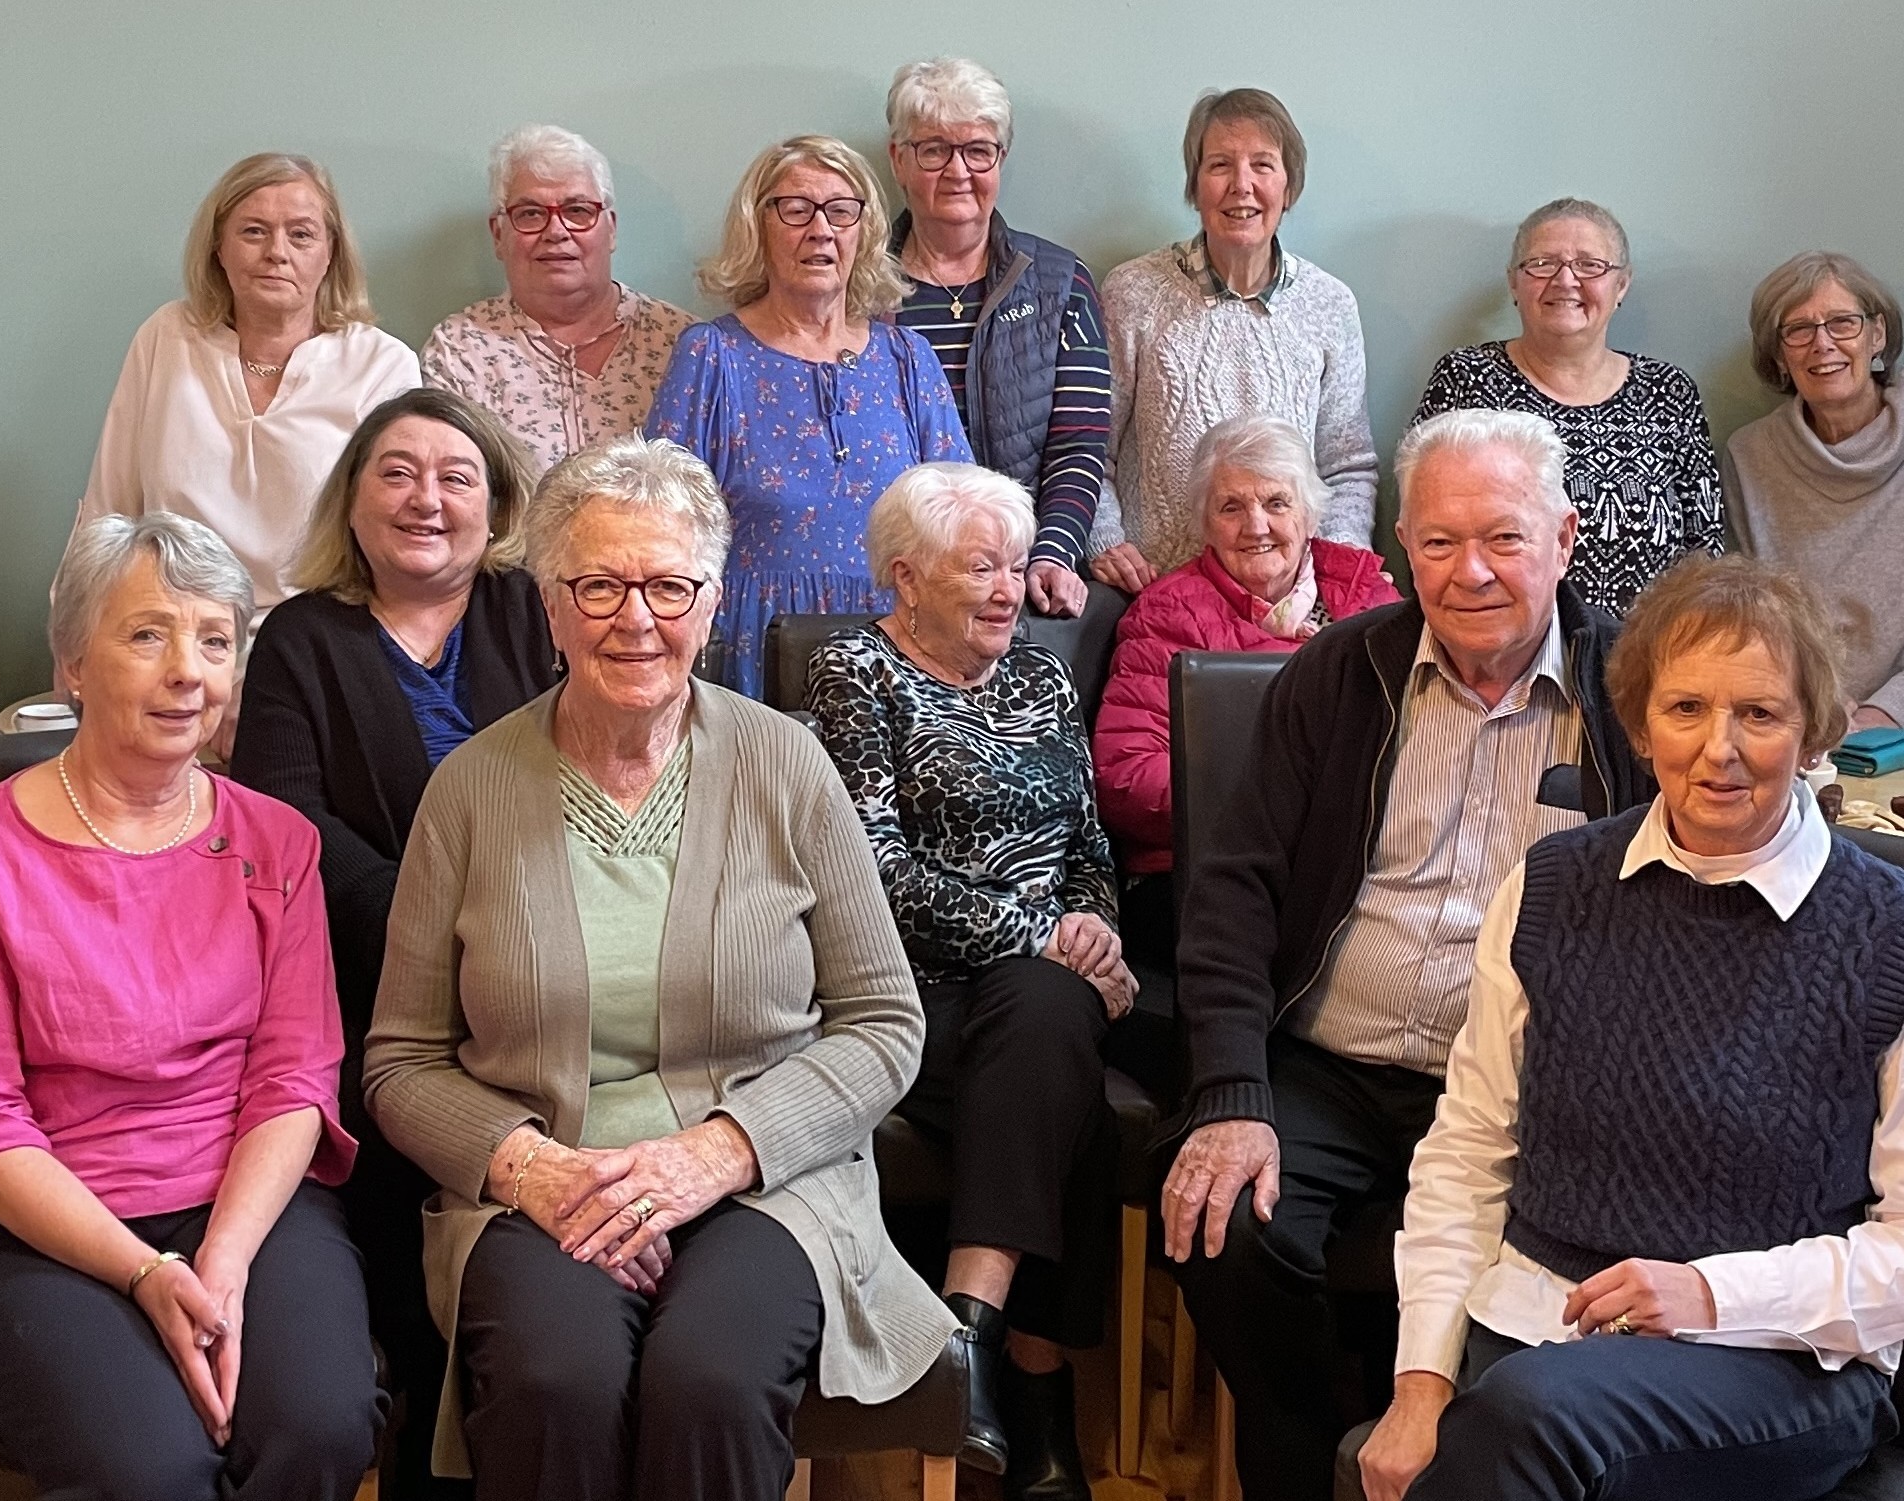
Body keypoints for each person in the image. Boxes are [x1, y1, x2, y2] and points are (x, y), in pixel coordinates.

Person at [361, 437, 957, 1501]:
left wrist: (718, 1153)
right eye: (597, 584)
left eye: (668, 585)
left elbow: (883, 1023)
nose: (635, 617)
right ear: (549, 605)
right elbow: (401, 1061)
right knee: (556, 1379)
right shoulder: (467, 789)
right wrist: (531, 1168)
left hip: (762, 1183)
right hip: (544, 1186)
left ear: (712, 600)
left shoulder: (788, 764)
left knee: (710, 1383)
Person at [1354, 555, 1904, 1501]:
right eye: (1686, 708)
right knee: (1514, 1412)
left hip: (1774, 1363)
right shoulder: (1550, 888)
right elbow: (1466, 1152)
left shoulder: (1901, 943)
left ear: (1814, 732)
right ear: (1640, 725)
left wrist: (1710, 1293)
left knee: (1527, 1423)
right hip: (1532, 1326)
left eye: (1761, 714)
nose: (1719, 748)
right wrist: (1418, 1387)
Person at [1161, 409, 1654, 1501]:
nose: (1468, 571)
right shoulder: (1341, 672)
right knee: (1220, 1232)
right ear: (1400, 543)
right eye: (1437, 542)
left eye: (1503, 538)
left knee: (1551, 1291)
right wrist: (1233, 1090)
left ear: (1565, 539)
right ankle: (1318, 1462)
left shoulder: (1636, 694)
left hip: (1536, 1092)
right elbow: (1233, 888)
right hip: (1330, 1066)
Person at [0, 510, 382, 1501]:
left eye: (216, 641)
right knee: (152, 1472)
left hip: (245, 1199)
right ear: (72, 661)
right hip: (31, 1220)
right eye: (148, 633)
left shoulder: (277, 841)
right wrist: (147, 1273)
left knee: (321, 1427)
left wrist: (226, 1261)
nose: (188, 672)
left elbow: (293, 1079)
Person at [231, 385, 561, 1501]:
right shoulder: (300, 637)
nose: (428, 497)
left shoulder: (539, 613)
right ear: (355, 501)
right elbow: (288, 827)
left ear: (496, 503)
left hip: (552, 971)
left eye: (456, 476)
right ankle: (424, 1432)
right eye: (398, 472)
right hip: (377, 987)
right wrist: (445, 936)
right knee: (397, 1138)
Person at [806, 463, 1137, 1500]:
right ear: (905, 577)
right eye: (979, 565)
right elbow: (870, 869)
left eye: (1014, 562)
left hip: (1045, 994)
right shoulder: (852, 671)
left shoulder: (1041, 679)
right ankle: (1035, 1403)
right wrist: (1045, 941)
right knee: (1062, 1058)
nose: (1009, 586)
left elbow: (1088, 845)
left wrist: (1099, 935)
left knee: (1050, 1026)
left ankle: (968, 1342)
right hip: (908, 995)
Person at [646, 134, 972, 698]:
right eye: (795, 210)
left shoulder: (908, 360)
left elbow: (962, 517)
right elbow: (657, 527)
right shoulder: (712, 356)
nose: (820, 229)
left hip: (897, 651)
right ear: (759, 226)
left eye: (841, 211)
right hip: (754, 646)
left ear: (863, 232)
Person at [80, 152, 426, 613]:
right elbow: (110, 508)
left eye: (301, 235)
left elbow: (397, 547)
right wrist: (76, 636)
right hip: (172, 629)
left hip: (321, 640)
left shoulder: (381, 365)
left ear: (330, 254)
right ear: (218, 248)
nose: (277, 253)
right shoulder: (167, 337)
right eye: (253, 231)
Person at [1091, 415, 1401, 883]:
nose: (1256, 526)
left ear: (1310, 512)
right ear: (1205, 524)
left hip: (1362, 860)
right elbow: (1125, 776)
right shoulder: (1168, 613)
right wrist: (1278, 801)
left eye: (1277, 502)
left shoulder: (1369, 594)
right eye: (1231, 507)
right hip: (1217, 866)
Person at [1721, 251, 1904, 757]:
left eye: (1843, 322)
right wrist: (1817, 705)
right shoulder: (1749, 455)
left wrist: (1886, 713)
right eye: (1798, 330)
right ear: (1780, 356)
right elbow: (1752, 613)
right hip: (1798, 724)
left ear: (1878, 335)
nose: (1822, 343)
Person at [1097, 87, 1376, 589]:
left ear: (1289, 188)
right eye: (1220, 165)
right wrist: (1106, 539)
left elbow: (1347, 467)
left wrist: (1338, 568)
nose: (1241, 186)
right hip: (1159, 593)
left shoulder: (1331, 305)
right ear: (1195, 185)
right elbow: (1096, 447)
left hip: (1290, 601)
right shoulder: (1132, 292)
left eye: (1263, 165)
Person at [1409, 199, 1723, 619]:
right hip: (1500, 649)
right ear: (1514, 283)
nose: (1565, 279)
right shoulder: (1467, 379)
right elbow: (1423, 524)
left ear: (1622, 285)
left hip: (1646, 659)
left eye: (1590, 265)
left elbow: (1704, 551)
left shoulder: (1668, 390)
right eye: (1542, 263)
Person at [882, 57, 1115, 618]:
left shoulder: (1062, 283)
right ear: (898, 159)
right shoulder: (856, 289)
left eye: (978, 150)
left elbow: (1078, 446)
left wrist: (1051, 555)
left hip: (1022, 575)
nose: (958, 171)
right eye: (933, 149)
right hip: (895, 581)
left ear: (1001, 159)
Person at [422, 125, 696, 470]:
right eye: (530, 214)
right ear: (498, 235)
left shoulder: (682, 345)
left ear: (610, 228)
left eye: (578, 211)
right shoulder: (461, 351)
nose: (556, 231)